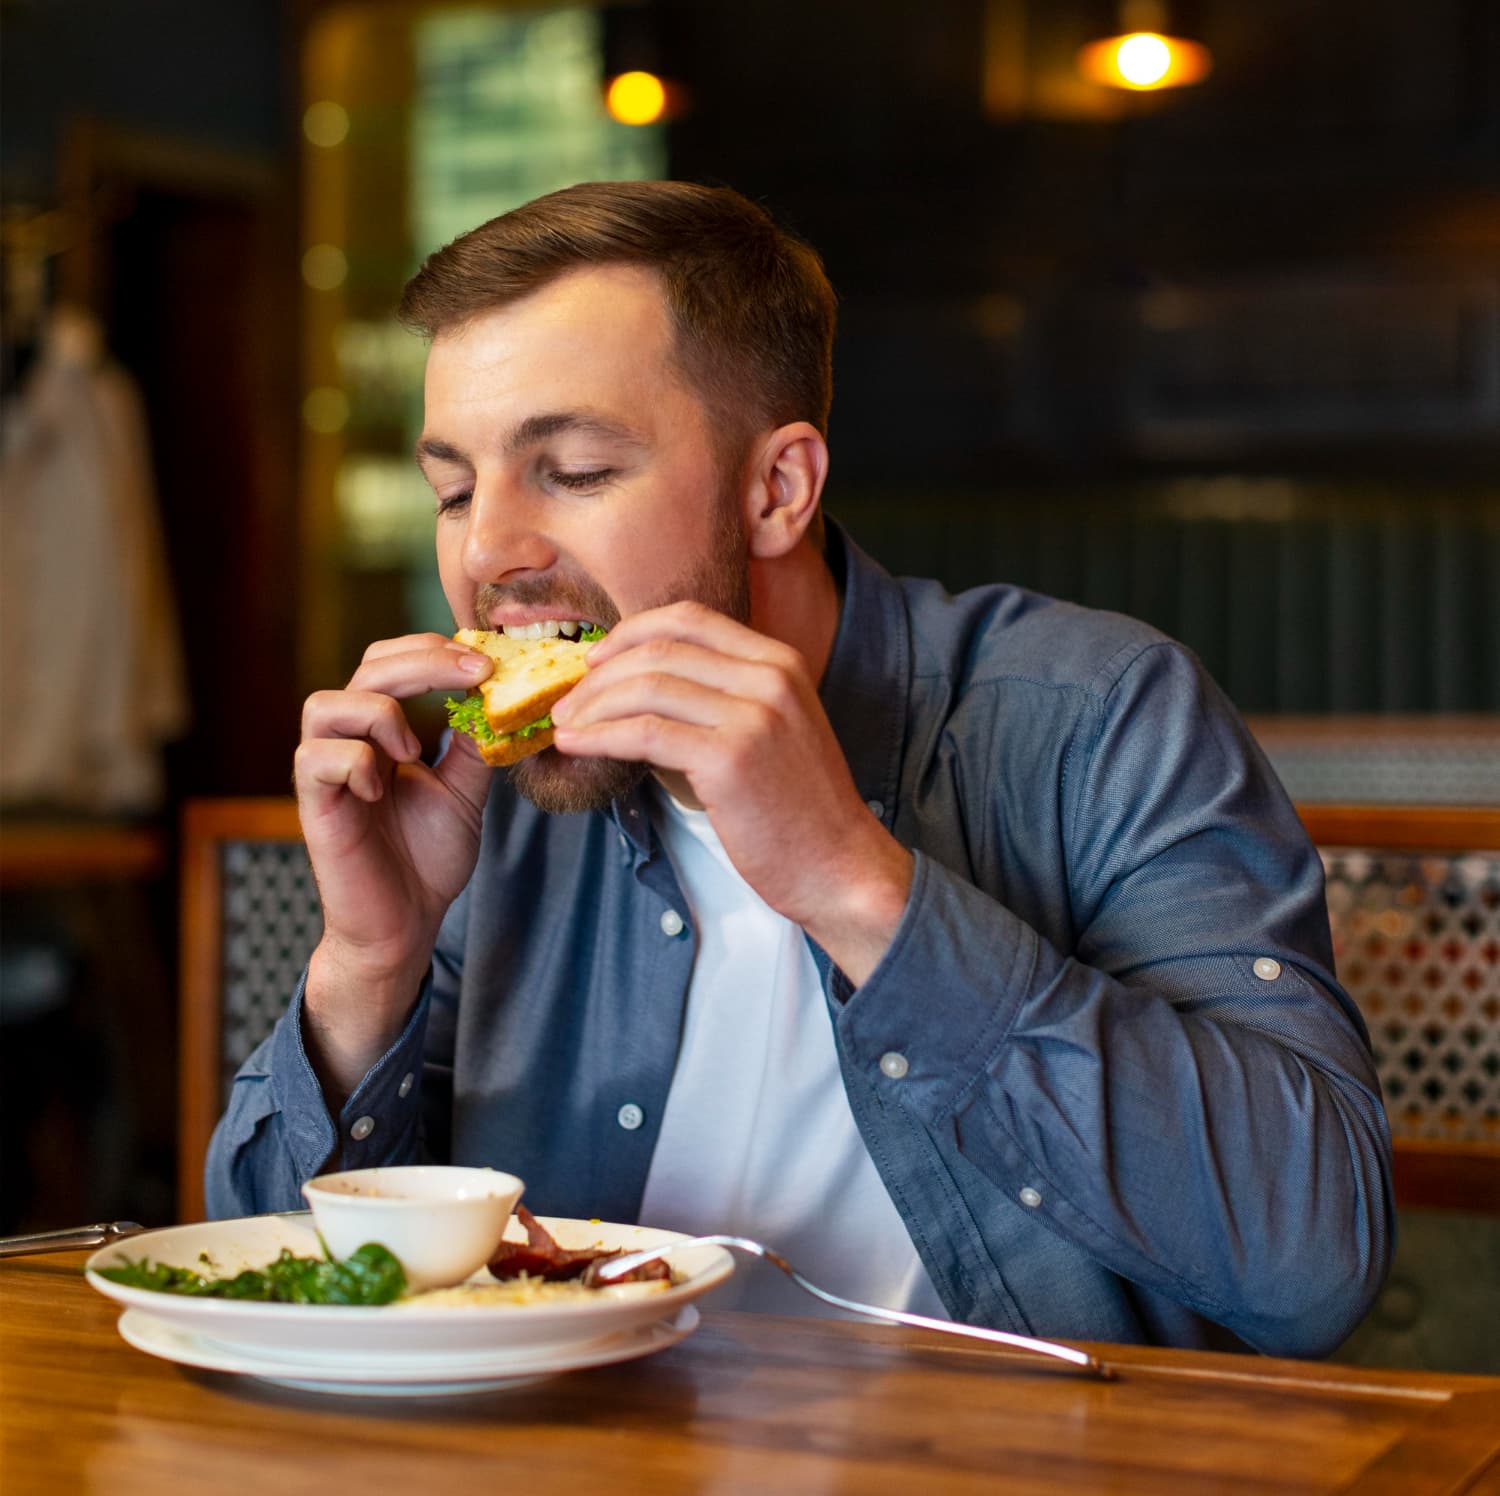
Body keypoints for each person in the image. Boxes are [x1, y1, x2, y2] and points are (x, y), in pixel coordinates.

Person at [208, 180, 1392, 1355]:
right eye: (455, 490)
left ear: (778, 488)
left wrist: (854, 883)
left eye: (570, 469)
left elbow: (1314, 1259)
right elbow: (279, 1288)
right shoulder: (499, 806)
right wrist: (370, 963)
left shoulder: (1098, 718)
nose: (486, 552)